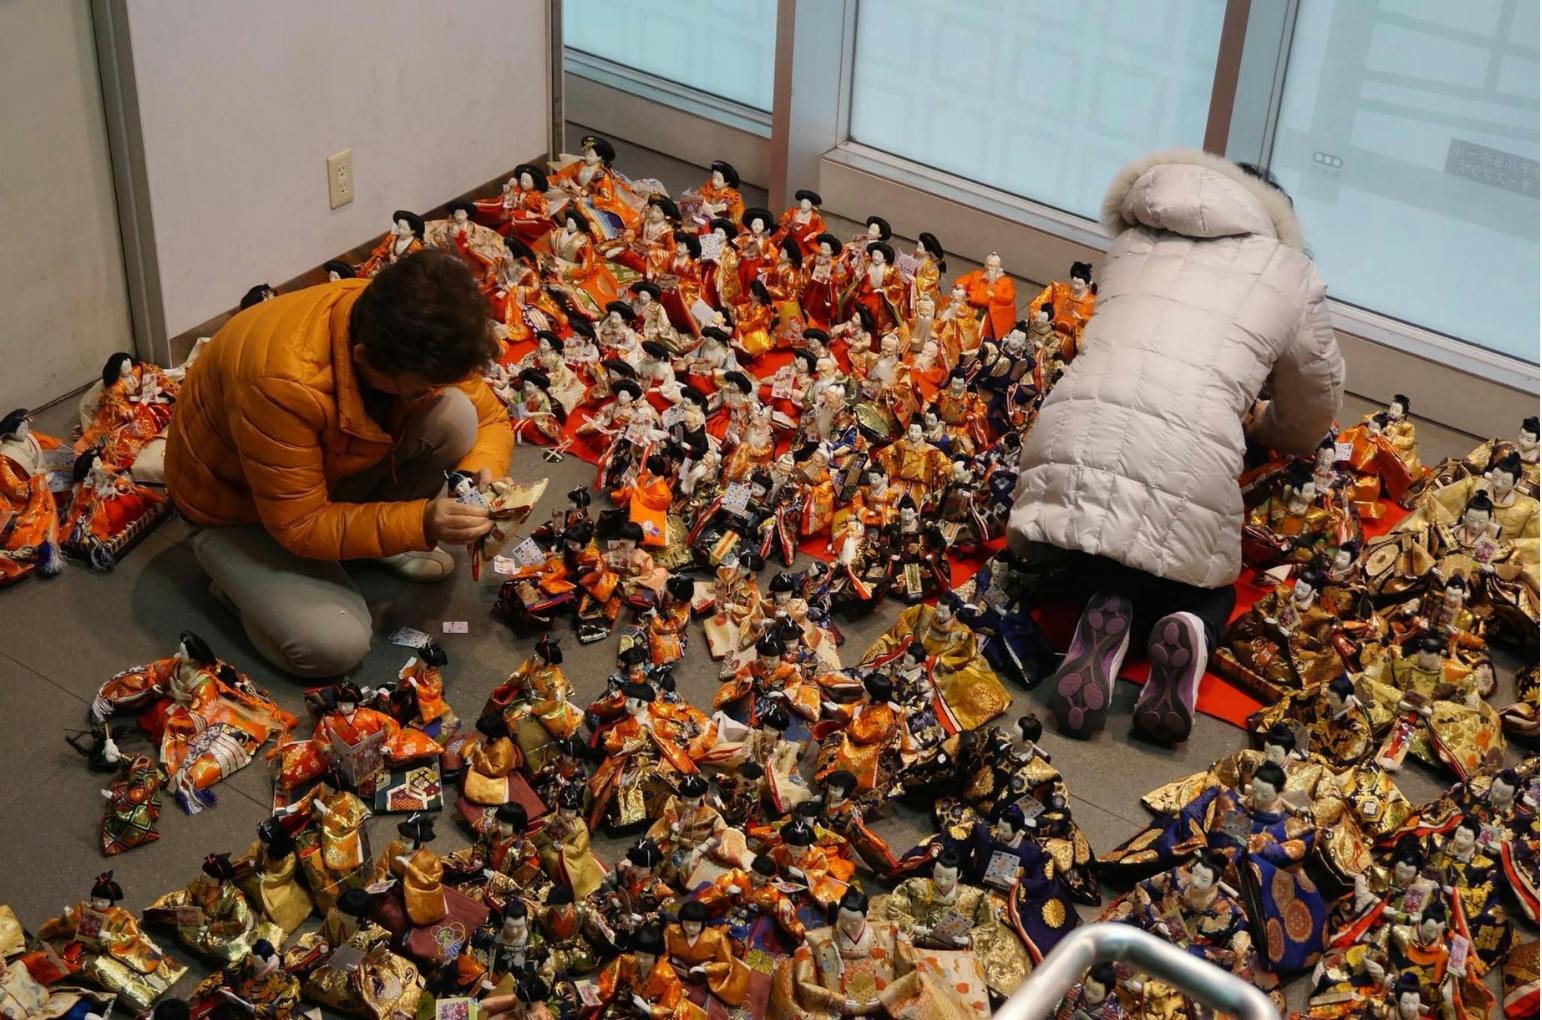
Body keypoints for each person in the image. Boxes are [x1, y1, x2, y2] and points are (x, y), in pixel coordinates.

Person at [1009, 149, 1344, 743]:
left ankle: (1105, 604)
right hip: (1194, 446)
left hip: (1074, 432)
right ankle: (1190, 625)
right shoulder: (1289, 272)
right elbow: (1315, 402)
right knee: (1204, 576)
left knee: (1103, 535)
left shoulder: (1134, 241)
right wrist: (1266, 429)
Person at [164, 250, 514, 677]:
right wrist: (420, 521)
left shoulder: (413, 321)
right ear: (365, 359)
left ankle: (368, 547)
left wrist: (474, 475)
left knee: (457, 416)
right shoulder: (280, 383)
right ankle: (237, 588)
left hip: (316, 475)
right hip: (236, 510)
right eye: (417, 387)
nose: (427, 390)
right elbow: (300, 524)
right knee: (333, 646)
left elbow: (491, 418)